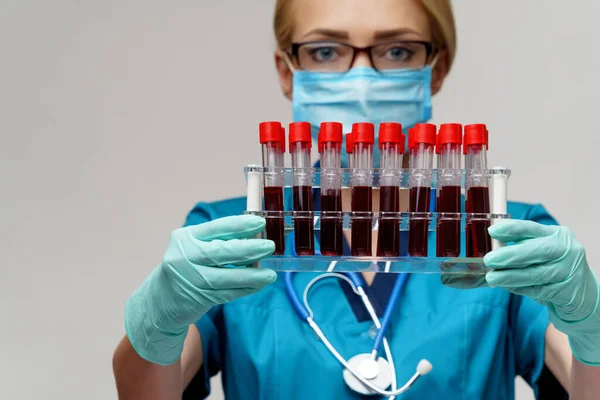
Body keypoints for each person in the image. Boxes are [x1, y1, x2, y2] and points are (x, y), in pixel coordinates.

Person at [112, 0, 600, 399]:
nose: (362, 78)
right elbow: (151, 392)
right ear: (288, 70)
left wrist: (593, 334)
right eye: (326, 51)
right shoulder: (232, 233)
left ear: (435, 68)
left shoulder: (497, 235)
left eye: (397, 51)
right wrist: (156, 326)